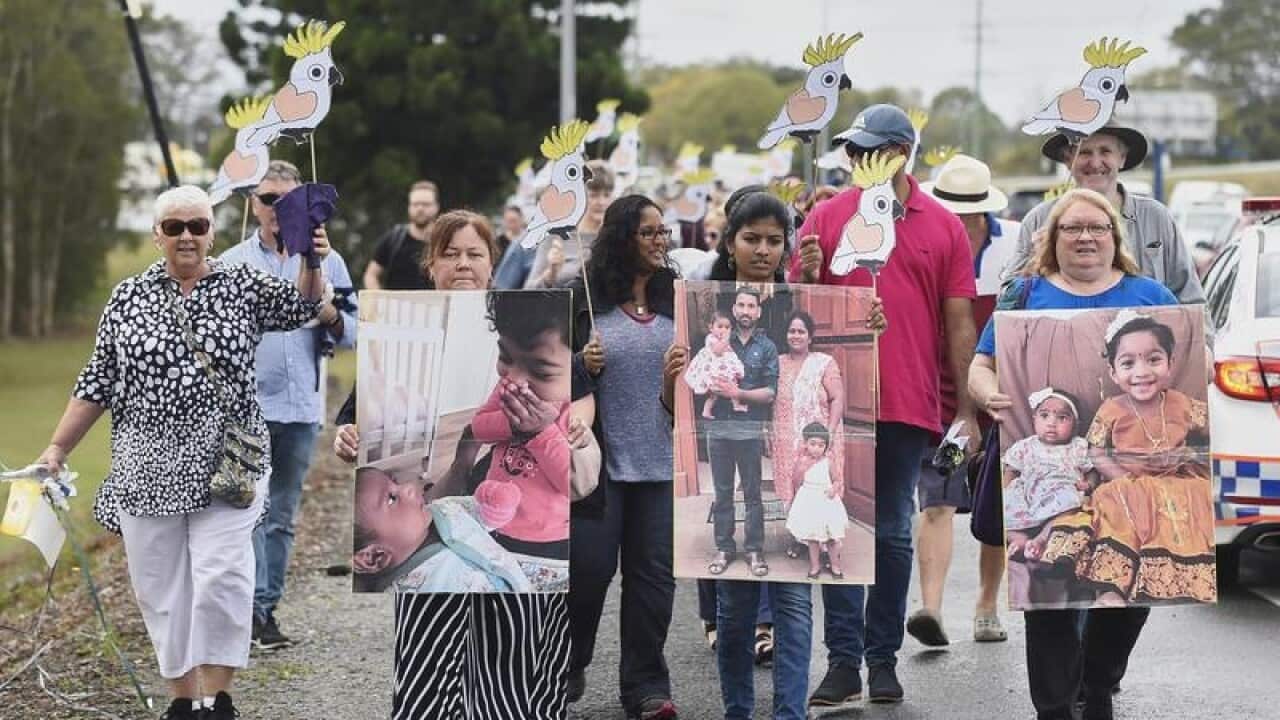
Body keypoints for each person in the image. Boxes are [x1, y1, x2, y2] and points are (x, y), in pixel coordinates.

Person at [37, 185, 324, 720]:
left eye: (197, 225)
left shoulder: (241, 283)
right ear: (157, 236)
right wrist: (57, 447)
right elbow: (98, 380)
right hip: (146, 469)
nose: (187, 236)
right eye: (175, 228)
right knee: (160, 589)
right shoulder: (127, 297)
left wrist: (311, 257)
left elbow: (304, 306)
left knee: (222, 576)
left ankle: (217, 700)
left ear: (212, 232)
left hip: (228, 467)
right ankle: (183, 701)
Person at [332, 210, 577, 719]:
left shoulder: (527, 324)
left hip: (519, 528)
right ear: (431, 264)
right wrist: (348, 432)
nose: (462, 264)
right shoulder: (401, 325)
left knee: (504, 661)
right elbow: (362, 407)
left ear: (494, 264)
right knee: (428, 655)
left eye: (475, 254)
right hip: (428, 530)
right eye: (450, 253)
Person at [792, 103, 980, 706]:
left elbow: (958, 325)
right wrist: (810, 274)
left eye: (867, 151)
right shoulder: (824, 218)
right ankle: (843, 661)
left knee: (893, 531)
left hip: (906, 400)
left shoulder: (943, 225)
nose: (855, 162)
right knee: (837, 529)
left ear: (900, 153)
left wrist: (968, 410)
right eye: (850, 151)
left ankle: (882, 659)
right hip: (831, 399)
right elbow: (792, 315)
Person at [968, 187, 1179, 720]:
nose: (1086, 237)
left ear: (1115, 237)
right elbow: (980, 363)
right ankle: (1056, 707)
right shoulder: (1023, 295)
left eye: (1097, 228)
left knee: (1128, 589)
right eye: (1072, 228)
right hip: (1048, 474)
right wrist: (985, 391)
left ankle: (1099, 684)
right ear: (1051, 239)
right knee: (1051, 598)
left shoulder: (1151, 294)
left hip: (1129, 473)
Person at [693, 186, 886, 720]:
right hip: (732, 448)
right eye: (751, 238)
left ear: (786, 246)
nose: (762, 250)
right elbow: (685, 394)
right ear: (729, 242)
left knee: (795, 604)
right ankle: (737, 710)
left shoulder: (800, 302)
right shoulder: (706, 307)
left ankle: (789, 714)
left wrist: (872, 329)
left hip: (794, 446)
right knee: (734, 607)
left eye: (774, 240)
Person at [219, 159, 358, 650]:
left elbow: (353, 334)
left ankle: (267, 610)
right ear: (253, 205)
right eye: (268, 199)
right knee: (246, 512)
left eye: (289, 199)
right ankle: (248, 610)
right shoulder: (232, 263)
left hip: (302, 407)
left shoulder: (329, 260)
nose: (279, 209)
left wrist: (326, 310)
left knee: (282, 514)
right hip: (247, 408)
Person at [568, 194, 679, 720]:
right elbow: (545, 371)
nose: (661, 241)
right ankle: (570, 664)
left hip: (661, 467)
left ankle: (646, 686)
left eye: (664, 231)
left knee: (653, 580)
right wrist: (578, 362)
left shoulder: (679, 300)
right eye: (649, 232)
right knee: (589, 573)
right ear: (621, 239)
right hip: (601, 469)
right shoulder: (582, 300)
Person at [909, 153, 1017, 646]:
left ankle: (986, 605)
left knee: (995, 503)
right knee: (940, 498)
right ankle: (929, 608)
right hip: (948, 404)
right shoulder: (924, 241)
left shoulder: (1014, 245)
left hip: (1003, 400)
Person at [1040, 312, 1214, 606]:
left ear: (1170, 365)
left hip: (1176, 480)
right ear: (1113, 373)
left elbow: (1212, 428)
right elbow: (1094, 451)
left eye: (1153, 360)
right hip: (1128, 481)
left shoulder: (1181, 404)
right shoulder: (1112, 409)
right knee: (1114, 508)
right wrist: (1119, 476)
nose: (1141, 371)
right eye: (1128, 363)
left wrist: (1191, 450)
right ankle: (1109, 590)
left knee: (1197, 497)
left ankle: (1183, 577)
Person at [1002, 123, 1204, 304]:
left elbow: (1190, 299)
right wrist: (1038, 262)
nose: (1095, 162)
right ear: (1067, 160)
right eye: (1085, 152)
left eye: (1105, 151)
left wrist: (1201, 344)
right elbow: (1007, 300)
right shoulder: (1039, 219)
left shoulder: (1156, 217)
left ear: (1122, 158)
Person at [704, 286, 779, 578]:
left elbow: (770, 393)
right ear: (734, 309)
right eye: (741, 305)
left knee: (752, 494)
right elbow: (704, 371)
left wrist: (738, 393)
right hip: (719, 430)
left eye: (752, 306)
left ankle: (754, 549)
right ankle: (724, 548)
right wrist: (710, 387)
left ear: (759, 311)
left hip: (749, 432)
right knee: (722, 493)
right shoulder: (719, 339)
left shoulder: (768, 347)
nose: (746, 311)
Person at [1002, 388, 1094, 608]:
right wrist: (1006, 489)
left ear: (1075, 424)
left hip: (1059, 491)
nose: (1052, 423)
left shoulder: (1078, 446)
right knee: (1004, 508)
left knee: (1072, 504)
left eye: (1062, 418)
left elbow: (1091, 471)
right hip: (1028, 492)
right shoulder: (1026, 446)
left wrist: (1088, 483)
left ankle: (1042, 539)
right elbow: (1010, 470)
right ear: (1034, 419)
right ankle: (1018, 538)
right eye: (1045, 416)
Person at [770, 310, 845, 563]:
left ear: (810, 336)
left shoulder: (824, 362)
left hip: (819, 443)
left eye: (801, 331)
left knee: (821, 490)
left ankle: (825, 545)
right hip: (788, 440)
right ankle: (799, 538)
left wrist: (830, 434)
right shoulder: (777, 362)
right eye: (792, 330)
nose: (796, 335)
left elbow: (837, 398)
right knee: (796, 490)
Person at [525, 159, 614, 288]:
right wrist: (551, 274)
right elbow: (528, 292)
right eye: (594, 195)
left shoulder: (616, 237)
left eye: (607, 195)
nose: (601, 202)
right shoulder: (556, 237)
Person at [786, 422, 850, 579]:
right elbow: (796, 482)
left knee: (831, 538)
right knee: (813, 538)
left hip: (826, 502)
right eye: (813, 444)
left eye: (821, 445)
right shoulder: (801, 463)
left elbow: (837, 480)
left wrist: (833, 489)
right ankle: (815, 566)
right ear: (805, 444)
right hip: (809, 502)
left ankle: (835, 565)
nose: (817, 448)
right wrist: (796, 500)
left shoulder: (828, 462)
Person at [364, 180, 440, 290]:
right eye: (415, 204)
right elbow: (371, 275)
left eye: (426, 204)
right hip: (395, 306)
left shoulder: (444, 241)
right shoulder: (394, 238)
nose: (420, 209)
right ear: (409, 206)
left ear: (436, 206)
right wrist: (378, 301)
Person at [683, 309, 747, 417]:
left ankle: (734, 405)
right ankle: (708, 410)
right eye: (720, 326)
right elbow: (718, 351)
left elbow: (728, 353)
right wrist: (725, 340)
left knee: (732, 386)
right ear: (711, 328)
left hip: (724, 368)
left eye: (727, 327)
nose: (723, 330)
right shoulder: (710, 339)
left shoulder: (725, 341)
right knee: (715, 393)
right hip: (714, 370)